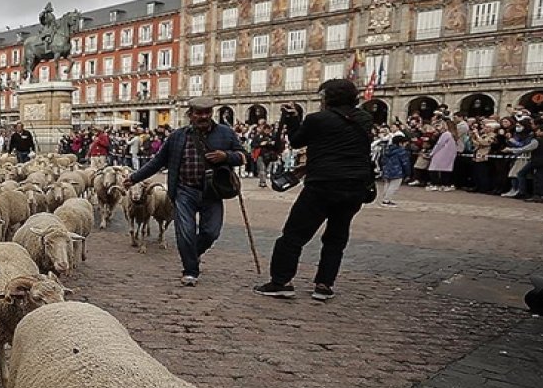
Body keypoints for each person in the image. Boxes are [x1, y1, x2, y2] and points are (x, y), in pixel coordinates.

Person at [255, 79, 376, 301]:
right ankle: (324, 285)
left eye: (322, 97)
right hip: (355, 185)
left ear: (328, 99)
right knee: (336, 237)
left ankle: (281, 281)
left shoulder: (317, 119)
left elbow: (297, 140)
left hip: (323, 184)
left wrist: (293, 119)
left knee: (293, 235)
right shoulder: (364, 119)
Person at [125, 96, 246, 287]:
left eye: (207, 112)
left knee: (211, 232)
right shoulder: (177, 136)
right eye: (199, 113)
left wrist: (226, 156)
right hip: (184, 190)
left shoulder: (225, 133)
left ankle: (193, 253)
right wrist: (133, 178)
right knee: (185, 231)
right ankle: (190, 270)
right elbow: (158, 162)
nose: (203, 116)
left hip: (213, 192)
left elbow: (242, 156)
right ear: (191, 114)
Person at [377, 135, 411, 206]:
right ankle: (386, 200)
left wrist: (381, 168)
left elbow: (381, 160)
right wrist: (408, 173)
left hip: (386, 170)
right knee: (394, 186)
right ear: (400, 143)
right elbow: (405, 163)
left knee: (387, 184)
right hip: (397, 170)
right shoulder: (401, 151)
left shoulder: (387, 149)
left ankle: (385, 199)